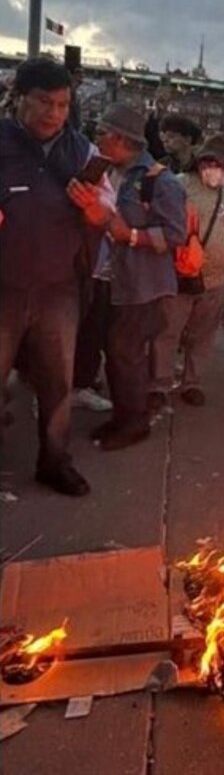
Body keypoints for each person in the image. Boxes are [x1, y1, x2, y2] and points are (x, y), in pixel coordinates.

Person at [67, 103, 187, 450]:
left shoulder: (159, 181)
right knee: (114, 352)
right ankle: (121, 417)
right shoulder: (103, 171)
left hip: (142, 286)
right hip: (108, 279)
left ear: (122, 139)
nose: (97, 138)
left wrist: (131, 235)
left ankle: (134, 423)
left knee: (127, 354)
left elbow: (176, 234)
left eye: (102, 132)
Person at [0, 58, 92, 496]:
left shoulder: (81, 150)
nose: (54, 113)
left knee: (58, 384)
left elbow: (106, 215)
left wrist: (96, 210)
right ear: (20, 97)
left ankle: (55, 462)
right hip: (4, 287)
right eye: (44, 102)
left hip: (58, 289)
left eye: (63, 104)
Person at [150, 134, 224, 408]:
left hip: (216, 279)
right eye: (213, 163)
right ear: (201, 161)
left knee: (203, 335)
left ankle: (192, 381)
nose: (217, 170)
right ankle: (159, 383)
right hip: (180, 275)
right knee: (168, 331)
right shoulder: (178, 185)